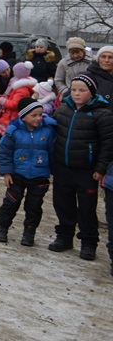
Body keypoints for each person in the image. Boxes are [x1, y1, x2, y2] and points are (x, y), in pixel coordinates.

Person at [48, 75, 113, 261]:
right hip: (63, 168)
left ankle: (89, 242)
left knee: (86, 208)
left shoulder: (103, 114)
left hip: (87, 170)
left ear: (91, 92)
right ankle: (64, 236)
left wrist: (101, 168)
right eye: (74, 89)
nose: (76, 93)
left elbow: (108, 144)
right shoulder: (63, 110)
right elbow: (52, 132)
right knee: (63, 204)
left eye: (82, 90)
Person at [0, 98, 56, 246]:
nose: (38, 118)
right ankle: (2, 227)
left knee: (34, 206)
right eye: (34, 115)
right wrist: (7, 172)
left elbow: (53, 152)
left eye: (40, 115)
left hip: (40, 176)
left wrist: (55, 171)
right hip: (17, 175)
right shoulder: (13, 130)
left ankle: (29, 232)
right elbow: (4, 152)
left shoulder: (48, 131)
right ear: (23, 116)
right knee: (10, 203)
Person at [0, 62, 37, 137]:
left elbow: (14, 104)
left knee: (10, 139)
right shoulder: (16, 84)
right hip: (11, 116)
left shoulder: (21, 89)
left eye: (15, 71)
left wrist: (2, 100)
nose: (13, 73)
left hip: (13, 116)